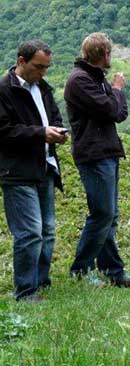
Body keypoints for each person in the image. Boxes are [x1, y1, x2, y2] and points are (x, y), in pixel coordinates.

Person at [65, 33, 130, 288]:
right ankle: (81, 269)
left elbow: (119, 113)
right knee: (102, 214)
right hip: (94, 154)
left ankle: (113, 271)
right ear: (104, 54)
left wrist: (114, 96)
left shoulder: (95, 78)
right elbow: (112, 110)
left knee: (109, 215)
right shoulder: (80, 80)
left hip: (106, 151)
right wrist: (118, 89)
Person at [0, 40, 67, 301]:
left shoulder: (43, 87)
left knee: (47, 230)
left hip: (45, 166)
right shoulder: (4, 90)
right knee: (29, 233)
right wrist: (41, 134)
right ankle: (26, 290)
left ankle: (41, 282)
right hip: (17, 171)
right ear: (21, 61)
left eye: (46, 67)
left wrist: (57, 131)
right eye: (38, 67)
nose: (43, 72)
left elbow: (54, 116)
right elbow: (4, 131)